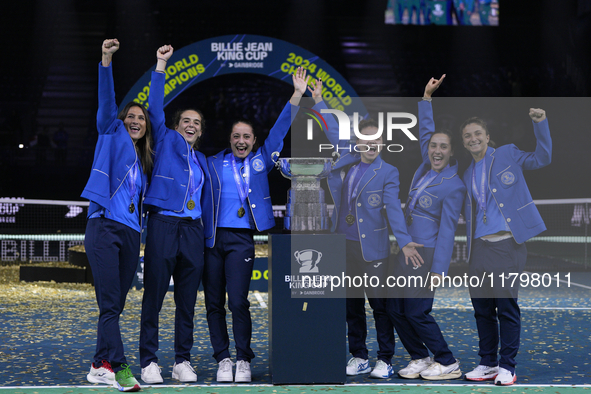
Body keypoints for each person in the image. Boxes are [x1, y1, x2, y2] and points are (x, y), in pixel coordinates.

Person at [203, 67, 310, 383]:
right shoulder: (212, 162)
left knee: (237, 301)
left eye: (246, 136)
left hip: (241, 239)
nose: (240, 141)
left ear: (254, 140)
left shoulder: (261, 161)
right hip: (211, 240)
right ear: (230, 139)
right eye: (236, 136)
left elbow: (279, 129)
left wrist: (297, 95)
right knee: (213, 303)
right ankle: (223, 359)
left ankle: (243, 359)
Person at [320, 91, 424, 379]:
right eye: (365, 140)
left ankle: (385, 358)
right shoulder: (348, 161)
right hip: (342, 246)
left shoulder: (388, 172)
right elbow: (331, 130)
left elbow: (393, 209)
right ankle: (359, 355)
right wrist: (317, 99)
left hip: (373, 251)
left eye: (375, 140)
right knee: (351, 306)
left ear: (381, 142)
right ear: (357, 142)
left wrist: (403, 242)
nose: (371, 144)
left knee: (380, 307)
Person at [139, 44, 213, 384]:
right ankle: (149, 361)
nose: (191, 125)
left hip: (193, 230)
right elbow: (154, 107)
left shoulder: (202, 162)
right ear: (175, 124)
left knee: (186, 300)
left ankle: (182, 360)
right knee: (154, 295)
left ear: (200, 130)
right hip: (164, 223)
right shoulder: (166, 139)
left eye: (196, 123)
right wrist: (161, 65)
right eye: (186, 120)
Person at [460, 105, 551, 385]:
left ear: (487, 137)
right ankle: (488, 363)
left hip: (506, 245)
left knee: (506, 309)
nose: (473, 138)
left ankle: (507, 366)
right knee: (482, 310)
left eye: (477, 133)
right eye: (467, 136)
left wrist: (541, 124)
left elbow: (543, 158)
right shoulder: (467, 174)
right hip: (479, 249)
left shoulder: (508, 153)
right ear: (463, 142)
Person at [82, 38, 152, 392]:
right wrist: (106, 59)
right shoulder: (110, 132)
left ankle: (98, 364)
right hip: (103, 227)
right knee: (109, 304)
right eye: (132, 116)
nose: (136, 121)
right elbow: (107, 102)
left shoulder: (142, 162)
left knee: (114, 305)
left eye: (141, 118)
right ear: (122, 120)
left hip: (130, 233)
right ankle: (121, 369)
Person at [387, 75, 465, 380]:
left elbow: (448, 231)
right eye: (433, 145)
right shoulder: (424, 167)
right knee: (395, 308)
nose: (436, 150)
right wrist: (426, 99)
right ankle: (419, 356)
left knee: (417, 312)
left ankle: (447, 361)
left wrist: (439, 269)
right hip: (405, 252)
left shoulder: (454, 186)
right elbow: (424, 134)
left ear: (451, 152)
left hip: (427, 256)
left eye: (443, 147)